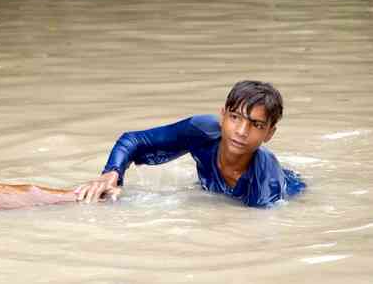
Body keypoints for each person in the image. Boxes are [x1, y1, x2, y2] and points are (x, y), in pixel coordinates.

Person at [74, 80, 306, 207]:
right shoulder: (203, 131)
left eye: (256, 125)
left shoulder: (265, 179)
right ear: (222, 116)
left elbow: (253, 228)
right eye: (235, 118)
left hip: (290, 187)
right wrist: (111, 174)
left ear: (269, 134)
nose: (242, 132)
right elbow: (134, 141)